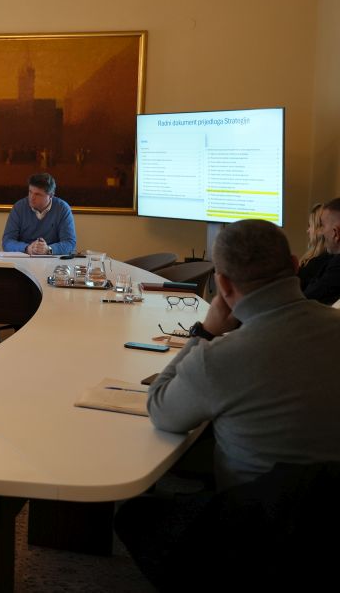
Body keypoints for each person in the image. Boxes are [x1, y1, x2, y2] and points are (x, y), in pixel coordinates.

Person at [115, 219, 340, 587]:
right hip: (328, 518)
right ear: (294, 264)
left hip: (257, 528)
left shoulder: (220, 357)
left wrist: (204, 333)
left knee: (135, 515)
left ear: (222, 284)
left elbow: (161, 409)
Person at [1, 173, 76, 255]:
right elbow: (7, 242)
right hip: (25, 258)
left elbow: (70, 243)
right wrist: (27, 248)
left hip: (52, 259)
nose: (31, 197)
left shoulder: (62, 209)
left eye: (37, 194)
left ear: (50, 195)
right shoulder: (19, 207)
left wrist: (48, 249)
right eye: (30, 192)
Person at [302, 197, 340, 305]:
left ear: (336, 233)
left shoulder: (336, 268)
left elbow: (306, 300)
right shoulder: (332, 262)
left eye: (322, 226)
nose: (321, 232)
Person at [298, 203, 329, 290]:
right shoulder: (314, 258)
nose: (307, 231)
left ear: (320, 228)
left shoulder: (317, 263)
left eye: (310, 225)